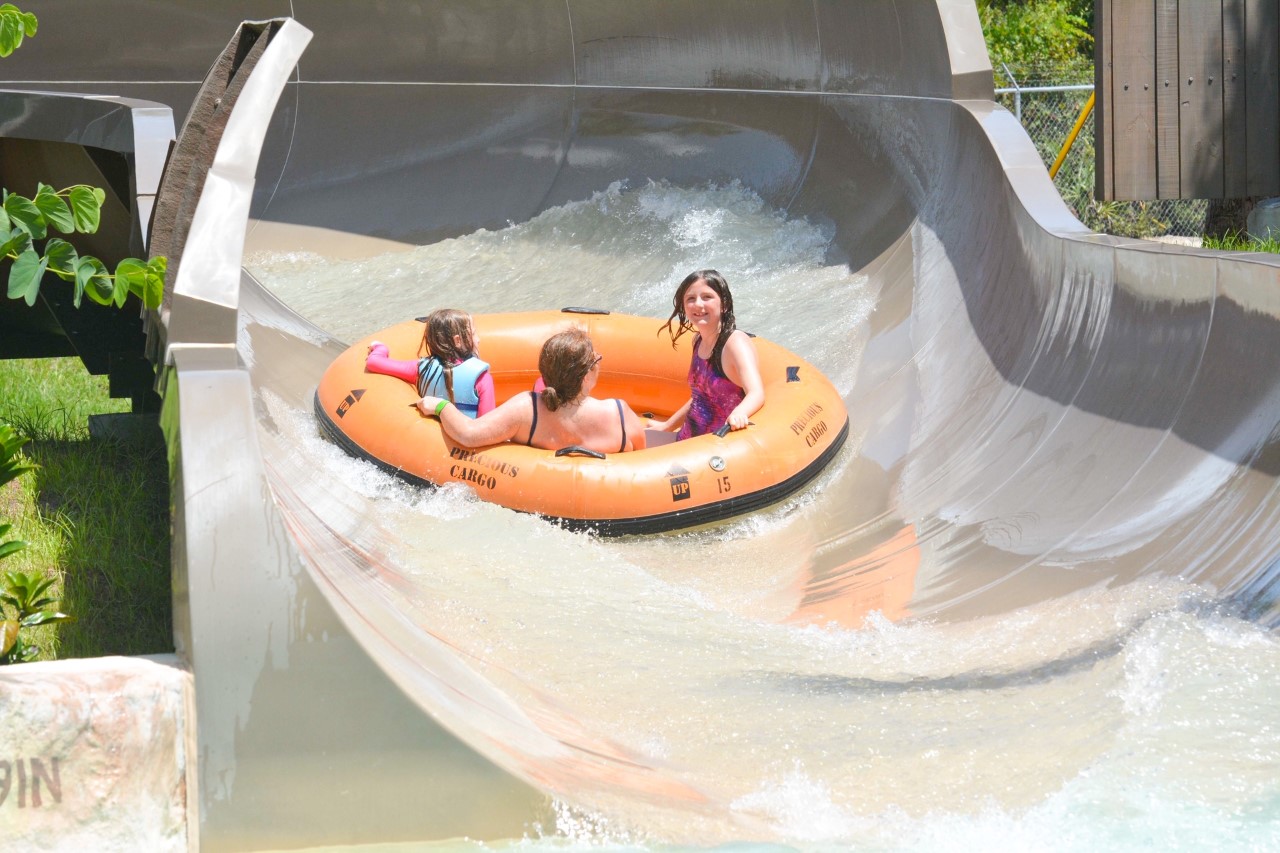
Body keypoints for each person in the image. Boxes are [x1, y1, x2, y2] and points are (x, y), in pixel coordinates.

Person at [417, 327, 646, 453]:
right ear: (586, 375)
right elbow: (640, 463)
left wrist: (440, 406)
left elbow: (468, 435)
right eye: (597, 359)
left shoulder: (527, 408)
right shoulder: (620, 414)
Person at [651, 269, 764, 438]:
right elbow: (701, 396)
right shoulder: (698, 341)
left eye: (707, 297)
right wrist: (667, 425)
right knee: (624, 437)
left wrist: (740, 413)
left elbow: (756, 392)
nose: (698, 304)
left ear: (723, 303)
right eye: (691, 299)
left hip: (711, 448)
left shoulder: (735, 343)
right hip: (684, 438)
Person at [366, 308, 495, 417]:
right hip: (466, 441)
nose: (478, 340)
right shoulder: (481, 379)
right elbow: (488, 426)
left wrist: (381, 348)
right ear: (457, 341)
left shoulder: (420, 368)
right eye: (473, 334)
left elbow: (373, 362)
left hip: (430, 439)